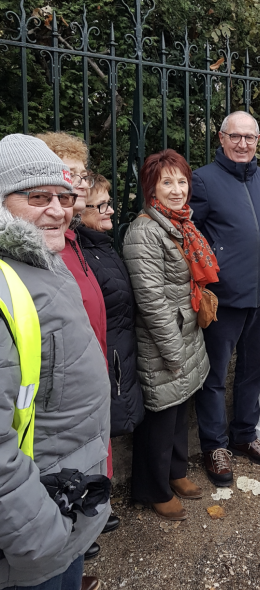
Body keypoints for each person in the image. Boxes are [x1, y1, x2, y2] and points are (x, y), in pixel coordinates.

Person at [0, 134, 110, 590]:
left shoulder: (43, 261)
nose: (58, 211)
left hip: (66, 507)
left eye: (63, 197)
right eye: (36, 197)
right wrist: (38, 533)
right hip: (29, 537)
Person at [190, 111, 260, 485]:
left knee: (252, 370)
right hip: (222, 298)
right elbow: (192, 233)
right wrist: (219, 264)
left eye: (250, 137)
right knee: (213, 376)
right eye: (236, 137)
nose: (243, 144)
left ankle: (245, 435)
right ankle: (215, 446)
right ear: (221, 138)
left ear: (258, 141)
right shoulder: (204, 180)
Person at [123, 150, 217, 521]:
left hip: (185, 330)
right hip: (164, 339)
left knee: (180, 410)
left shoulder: (179, 223)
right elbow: (152, 301)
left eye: (181, 181)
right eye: (167, 182)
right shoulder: (144, 231)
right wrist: (173, 351)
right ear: (151, 187)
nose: (177, 190)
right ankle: (152, 489)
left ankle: (176, 472)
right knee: (161, 418)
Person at [37, 133, 116, 569]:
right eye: (66, 175)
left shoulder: (73, 241)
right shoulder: (46, 250)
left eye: (80, 175)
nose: (78, 186)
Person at [79, 174, 145, 436]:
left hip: (121, 357)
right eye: (101, 206)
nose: (110, 211)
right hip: (110, 363)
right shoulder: (83, 256)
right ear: (78, 211)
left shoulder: (102, 247)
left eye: (109, 203)